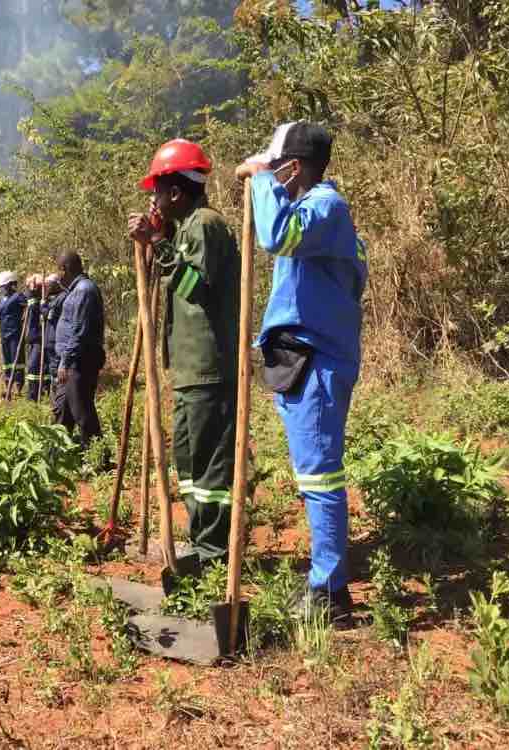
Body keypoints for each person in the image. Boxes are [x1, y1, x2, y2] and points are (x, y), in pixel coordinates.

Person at [235, 121, 368, 626]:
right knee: (314, 472)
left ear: (293, 167)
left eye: (277, 167)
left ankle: (330, 593)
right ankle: (326, 583)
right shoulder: (315, 212)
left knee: (320, 475)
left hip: (318, 363)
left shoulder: (325, 209)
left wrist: (261, 179)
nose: (273, 175)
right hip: (304, 358)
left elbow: (276, 235)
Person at [128, 138, 241, 567]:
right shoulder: (187, 227)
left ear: (175, 191)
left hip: (211, 369)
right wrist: (160, 236)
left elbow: (194, 286)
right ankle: (201, 540)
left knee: (210, 465)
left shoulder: (206, 224)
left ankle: (214, 550)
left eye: (157, 191)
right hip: (191, 372)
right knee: (189, 462)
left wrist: (157, 240)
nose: (154, 200)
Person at [53, 251, 105, 449]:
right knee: (62, 412)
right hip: (73, 361)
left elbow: (78, 330)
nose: (58, 276)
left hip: (80, 362)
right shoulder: (75, 290)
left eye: (58, 270)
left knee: (82, 413)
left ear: (64, 269)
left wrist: (65, 361)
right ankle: (57, 456)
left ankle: (98, 460)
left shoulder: (84, 290)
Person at [0, 271, 27, 399]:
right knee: (7, 362)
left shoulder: (18, 296)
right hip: (4, 335)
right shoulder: (2, 300)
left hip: (15, 334)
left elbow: (28, 306)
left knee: (17, 361)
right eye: (1, 287)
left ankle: (19, 388)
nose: (2, 289)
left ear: (10, 284)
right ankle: (8, 386)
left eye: (3, 286)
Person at [41, 275, 64, 402]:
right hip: (49, 340)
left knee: (55, 370)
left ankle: (57, 398)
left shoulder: (60, 299)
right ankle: (53, 396)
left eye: (49, 284)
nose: (47, 287)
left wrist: (43, 305)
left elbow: (49, 315)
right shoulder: (53, 299)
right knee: (51, 369)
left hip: (55, 340)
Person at [24, 275, 45, 401]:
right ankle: (34, 393)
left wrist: (32, 291)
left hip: (39, 337)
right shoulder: (32, 298)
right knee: (32, 367)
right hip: (33, 338)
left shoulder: (39, 299)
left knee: (33, 366)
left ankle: (34, 395)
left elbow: (35, 309)